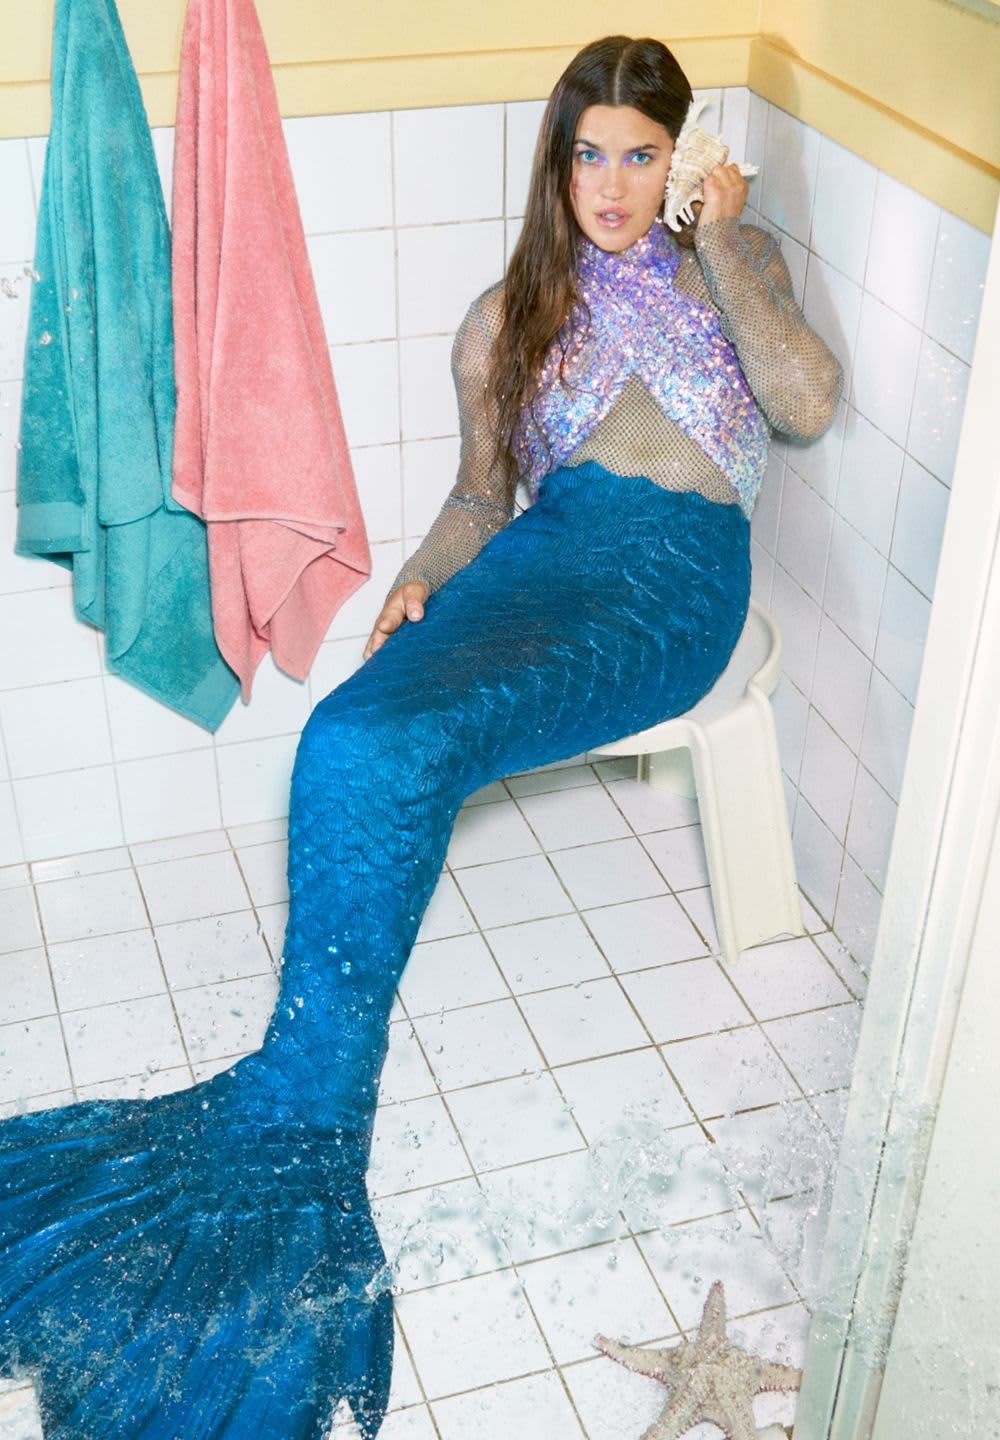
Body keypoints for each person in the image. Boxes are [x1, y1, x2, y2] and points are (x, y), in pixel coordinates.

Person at [0, 35, 841, 1440]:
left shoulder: (721, 273)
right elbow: (479, 499)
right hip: (540, 562)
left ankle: (307, 1116)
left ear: (680, 162)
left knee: (402, 742)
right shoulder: (504, 318)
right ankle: (305, 1103)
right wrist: (423, 578)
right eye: (592, 154)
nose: (616, 185)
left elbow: (808, 402)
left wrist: (736, 232)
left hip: (672, 584)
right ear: (555, 161)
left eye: (645, 154)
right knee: (352, 733)